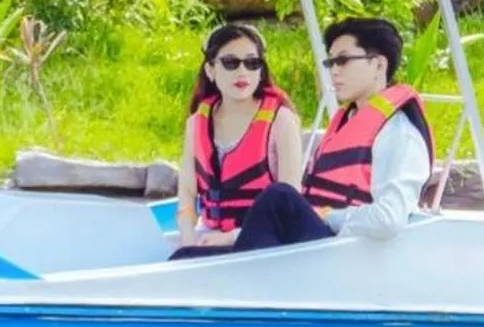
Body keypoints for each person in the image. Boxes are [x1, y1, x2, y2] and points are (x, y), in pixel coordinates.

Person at [174, 16, 432, 258]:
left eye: (343, 61)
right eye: (331, 63)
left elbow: (389, 218)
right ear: (210, 70)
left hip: (345, 254)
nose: (334, 71)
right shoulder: (347, 121)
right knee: (191, 253)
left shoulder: (399, 133)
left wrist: (327, 216)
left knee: (280, 196)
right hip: (320, 242)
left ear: (379, 65)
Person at [173, 23, 304, 252]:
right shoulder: (196, 122)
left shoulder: (281, 120)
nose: (242, 72)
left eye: (252, 63)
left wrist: (232, 237)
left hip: (267, 240)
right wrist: (188, 239)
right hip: (210, 234)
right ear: (210, 70)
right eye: (230, 63)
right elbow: (187, 191)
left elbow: (289, 201)